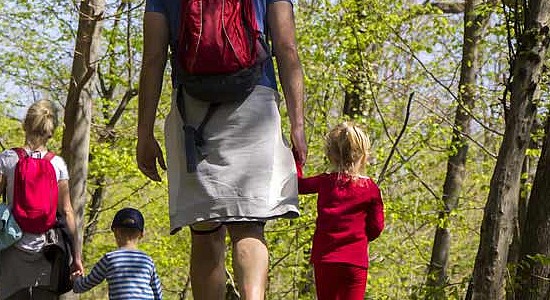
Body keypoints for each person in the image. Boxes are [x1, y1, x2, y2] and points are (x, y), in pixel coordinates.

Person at [136, 0, 306, 298]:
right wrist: (297, 125)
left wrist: (144, 133)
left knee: (204, 233)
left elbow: (153, 59)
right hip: (255, 107)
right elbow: (287, 47)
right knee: (249, 227)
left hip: (192, 111)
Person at [0, 100, 84, 300]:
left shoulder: (8, 159)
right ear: (50, 132)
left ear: (25, 125)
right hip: (47, 253)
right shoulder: (57, 164)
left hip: (11, 251)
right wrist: (77, 257)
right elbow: (67, 211)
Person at [296, 122, 384, 300]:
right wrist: (361, 237)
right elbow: (376, 227)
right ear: (364, 155)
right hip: (355, 261)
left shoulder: (325, 182)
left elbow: (298, 185)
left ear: (331, 155)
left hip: (325, 259)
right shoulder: (370, 188)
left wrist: (297, 158)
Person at [71, 207, 163, 299]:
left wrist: (76, 280)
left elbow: (82, 286)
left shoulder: (109, 259)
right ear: (142, 234)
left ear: (115, 232)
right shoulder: (147, 260)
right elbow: (157, 292)